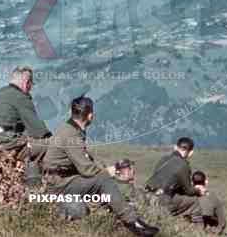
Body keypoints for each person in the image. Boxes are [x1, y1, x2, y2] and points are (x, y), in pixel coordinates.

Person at [42, 95, 159, 237]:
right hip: (58, 184)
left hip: (60, 178)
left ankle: (129, 216)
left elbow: (83, 159)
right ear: (90, 115)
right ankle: (133, 223)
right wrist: (108, 172)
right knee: (103, 180)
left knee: (101, 177)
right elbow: (87, 170)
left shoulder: (70, 129)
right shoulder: (71, 135)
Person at [0, 66, 51, 162]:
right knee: (54, 145)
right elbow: (39, 132)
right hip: (7, 146)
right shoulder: (20, 97)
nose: (30, 88)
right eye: (31, 84)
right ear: (27, 83)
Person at [144, 137, 204, 227]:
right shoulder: (184, 165)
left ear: (175, 147)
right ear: (191, 152)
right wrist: (198, 190)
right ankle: (199, 231)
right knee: (194, 202)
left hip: (147, 195)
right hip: (162, 200)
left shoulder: (163, 159)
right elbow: (188, 191)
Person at [192, 171, 226, 235]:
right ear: (205, 182)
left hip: (189, 229)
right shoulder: (212, 197)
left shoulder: (184, 195)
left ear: (192, 183)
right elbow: (222, 222)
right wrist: (215, 232)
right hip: (205, 230)